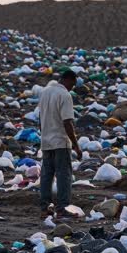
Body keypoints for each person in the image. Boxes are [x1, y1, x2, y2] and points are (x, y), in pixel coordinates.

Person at [38, 70, 82, 220]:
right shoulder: (64, 95)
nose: (72, 88)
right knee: (64, 175)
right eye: (73, 84)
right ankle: (62, 208)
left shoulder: (45, 92)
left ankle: (45, 208)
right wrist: (76, 145)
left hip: (46, 140)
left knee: (46, 175)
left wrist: (43, 134)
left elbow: (41, 118)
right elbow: (67, 122)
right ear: (67, 80)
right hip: (61, 141)